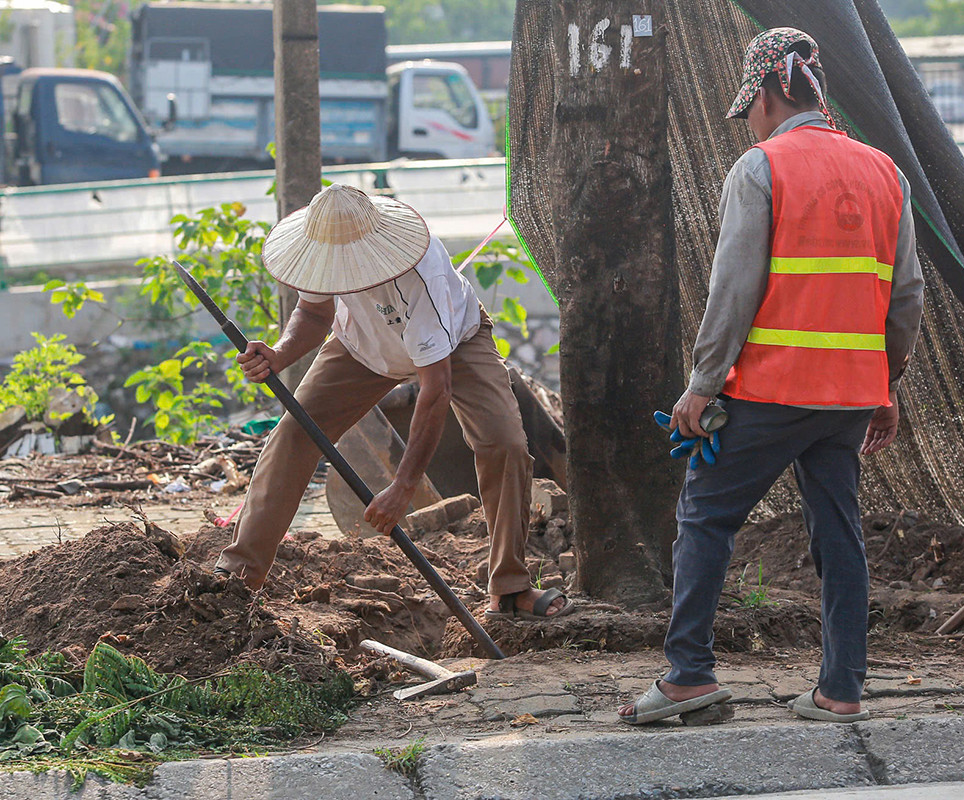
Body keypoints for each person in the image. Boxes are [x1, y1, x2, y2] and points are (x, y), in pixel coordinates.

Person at [618, 28, 924, 724]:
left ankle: (689, 675)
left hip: (769, 390)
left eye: (749, 104)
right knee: (838, 533)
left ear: (770, 89)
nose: (749, 119)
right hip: (849, 396)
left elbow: (733, 291)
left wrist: (701, 385)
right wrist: (885, 386)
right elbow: (907, 295)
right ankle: (841, 689)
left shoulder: (761, 169)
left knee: (705, 518)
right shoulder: (886, 172)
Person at [214, 183, 574, 621]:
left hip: (454, 346)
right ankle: (236, 582)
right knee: (293, 433)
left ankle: (511, 589)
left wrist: (403, 487)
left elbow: (435, 389)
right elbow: (313, 315)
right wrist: (279, 352)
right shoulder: (321, 254)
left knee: (504, 444)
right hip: (360, 347)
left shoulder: (420, 273)